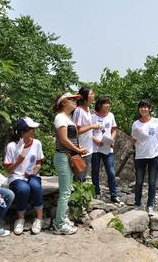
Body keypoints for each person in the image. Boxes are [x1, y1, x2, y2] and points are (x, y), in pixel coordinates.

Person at [52, 91, 87, 234]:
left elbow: (69, 140)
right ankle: (59, 224)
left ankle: (61, 218)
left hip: (67, 156)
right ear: (64, 102)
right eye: (71, 99)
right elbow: (64, 140)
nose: (75, 101)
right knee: (65, 191)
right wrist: (77, 150)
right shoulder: (60, 117)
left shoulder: (67, 117)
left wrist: (77, 149)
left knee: (66, 190)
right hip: (63, 157)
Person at [3, 117, 44, 235]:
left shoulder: (36, 143)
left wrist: (35, 171)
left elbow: (39, 162)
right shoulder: (12, 146)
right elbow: (9, 170)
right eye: (31, 129)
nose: (34, 131)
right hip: (16, 176)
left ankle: (39, 219)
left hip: (32, 175)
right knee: (23, 189)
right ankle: (20, 218)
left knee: (35, 186)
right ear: (23, 131)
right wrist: (18, 161)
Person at [91, 96, 120, 203]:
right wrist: (96, 140)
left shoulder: (111, 115)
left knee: (111, 172)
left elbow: (114, 129)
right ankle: (96, 192)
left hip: (108, 148)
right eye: (105, 103)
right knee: (95, 171)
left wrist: (111, 139)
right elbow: (87, 132)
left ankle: (114, 195)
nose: (108, 105)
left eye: (108, 103)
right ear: (100, 105)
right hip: (95, 148)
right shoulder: (92, 116)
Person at [72, 87, 100, 181]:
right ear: (84, 97)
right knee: (79, 176)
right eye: (91, 94)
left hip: (88, 147)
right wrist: (92, 126)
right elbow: (77, 130)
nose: (93, 96)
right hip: (81, 149)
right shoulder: (79, 111)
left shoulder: (88, 109)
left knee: (84, 176)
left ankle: (81, 195)